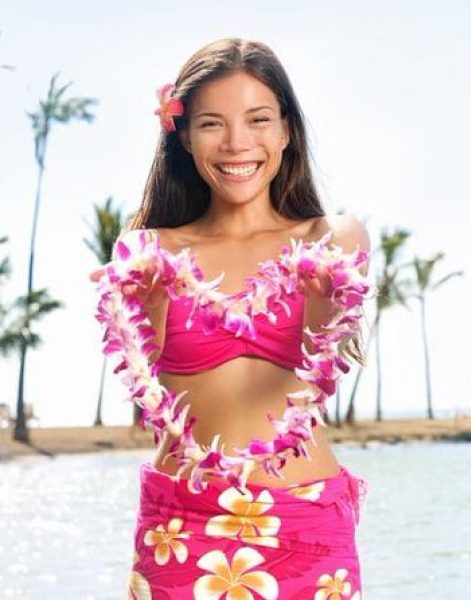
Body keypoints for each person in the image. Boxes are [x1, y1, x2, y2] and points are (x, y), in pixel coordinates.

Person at [95, 38, 371, 599]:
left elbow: (326, 359)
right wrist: (143, 297)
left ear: (287, 130)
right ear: (184, 136)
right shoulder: (150, 249)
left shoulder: (333, 238)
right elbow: (144, 383)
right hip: (182, 524)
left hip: (305, 521)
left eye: (258, 119)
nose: (238, 143)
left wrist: (318, 296)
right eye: (213, 124)